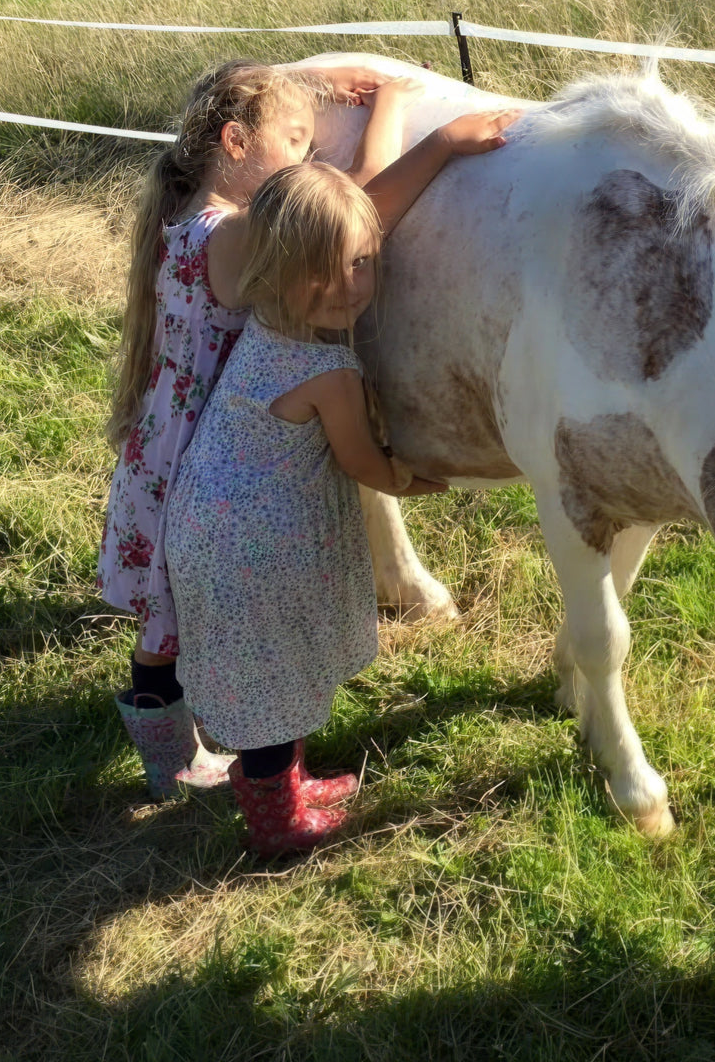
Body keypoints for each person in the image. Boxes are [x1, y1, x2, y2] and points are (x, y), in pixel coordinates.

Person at [96, 56, 464, 799]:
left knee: (162, 623)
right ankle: (176, 768)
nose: (307, 155)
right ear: (235, 141)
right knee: (172, 624)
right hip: (205, 453)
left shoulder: (186, 211)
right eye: (297, 141)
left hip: (163, 439)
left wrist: (324, 87)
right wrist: (431, 131)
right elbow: (352, 211)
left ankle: (171, 754)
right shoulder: (235, 236)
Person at [161, 156, 504, 856]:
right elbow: (361, 464)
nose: (349, 287)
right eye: (324, 270)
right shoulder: (330, 372)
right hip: (256, 551)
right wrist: (412, 479)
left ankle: (289, 785)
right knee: (271, 695)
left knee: (272, 676)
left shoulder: (266, 326)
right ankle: (277, 823)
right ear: (277, 268)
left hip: (215, 529)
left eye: (363, 263)